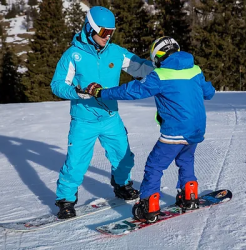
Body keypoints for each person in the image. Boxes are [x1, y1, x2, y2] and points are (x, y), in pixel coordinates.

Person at [85, 36, 216, 223]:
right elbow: (209, 93)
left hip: (175, 131)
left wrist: (102, 92)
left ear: (158, 56)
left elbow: (132, 91)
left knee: (155, 166)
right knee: (185, 159)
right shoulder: (195, 69)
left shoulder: (160, 76)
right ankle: (190, 194)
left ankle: (149, 205)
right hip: (196, 130)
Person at [50, 6, 154, 219]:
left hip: (110, 118)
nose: (108, 37)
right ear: (89, 29)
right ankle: (66, 200)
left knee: (124, 157)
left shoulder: (116, 52)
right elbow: (57, 84)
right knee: (76, 162)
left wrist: (163, 69)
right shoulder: (73, 55)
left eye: (111, 32)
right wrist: (77, 92)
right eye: (104, 32)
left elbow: (140, 67)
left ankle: (122, 185)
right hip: (84, 119)